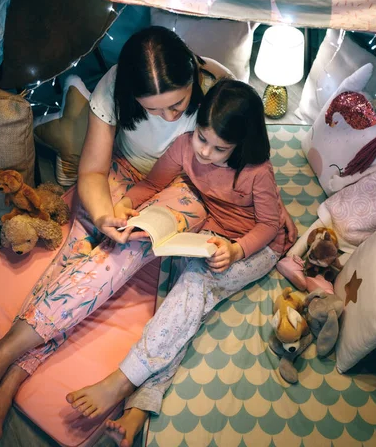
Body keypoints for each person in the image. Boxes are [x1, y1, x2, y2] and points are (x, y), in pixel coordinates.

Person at [0, 28, 297, 441]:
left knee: (123, 255)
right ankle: (13, 362)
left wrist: (261, 227)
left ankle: (11, 361)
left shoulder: (217, 100)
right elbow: (94, 172)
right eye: (155, 110)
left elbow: (245, 181)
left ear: (194, 78)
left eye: (178, 105)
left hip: (188, 189)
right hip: (135, 180)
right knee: (78, 251)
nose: (172, 119)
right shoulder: (119, 90)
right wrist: (108, 214)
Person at [65, 79, 290, 447]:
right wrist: (128, 205)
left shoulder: (256, 171)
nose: (204, 152)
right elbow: (153, 184)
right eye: (202, 138)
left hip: (257, 248)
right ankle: (141, 405)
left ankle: (122, 380)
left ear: (241, 145)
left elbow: (269, 225)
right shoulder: (185, 147)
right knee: (186, 307)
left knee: (192, 288)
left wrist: (236, 251)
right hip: (210, 237)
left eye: (220, 149)